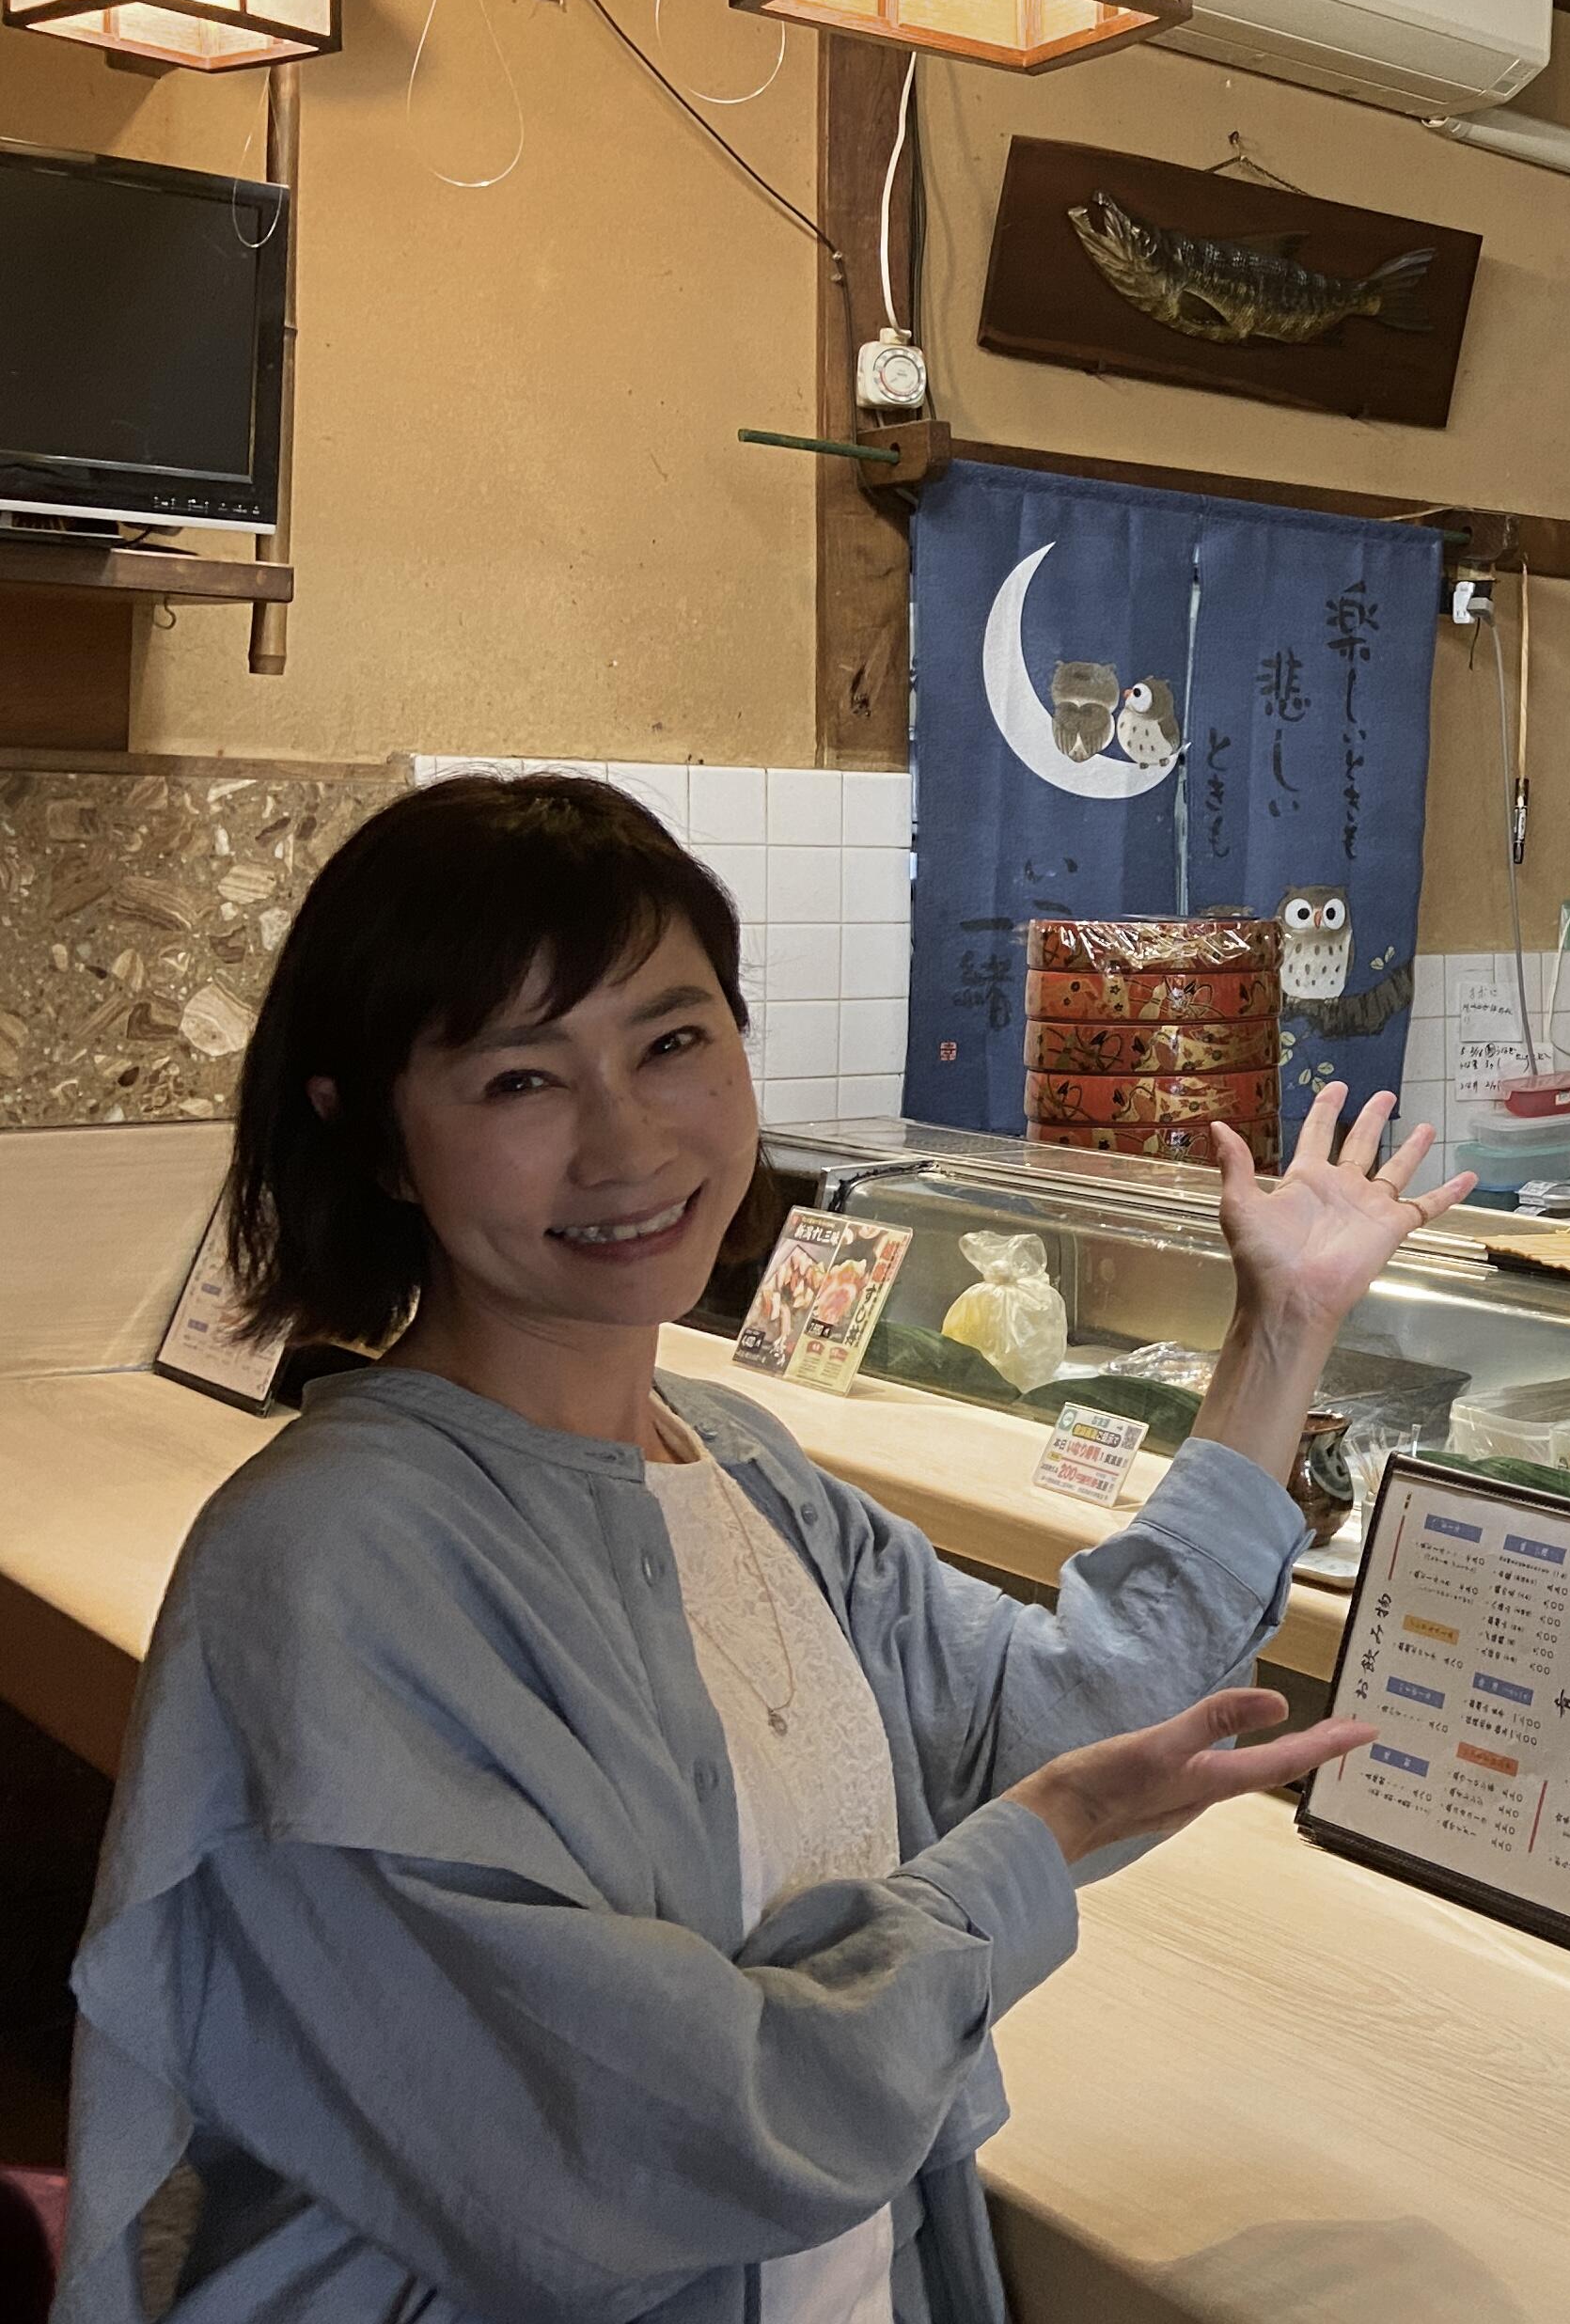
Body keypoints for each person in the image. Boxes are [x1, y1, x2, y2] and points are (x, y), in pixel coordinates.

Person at [62, 773, 1474, 2323]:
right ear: (378, 1138)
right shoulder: (328, 1566)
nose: (625, 1141)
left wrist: (1280, 1330)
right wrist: (1025, 1855)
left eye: (672, 1042)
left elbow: (1069, 1721)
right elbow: (653, 2137)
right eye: (520, 1079)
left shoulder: (729, 1460)